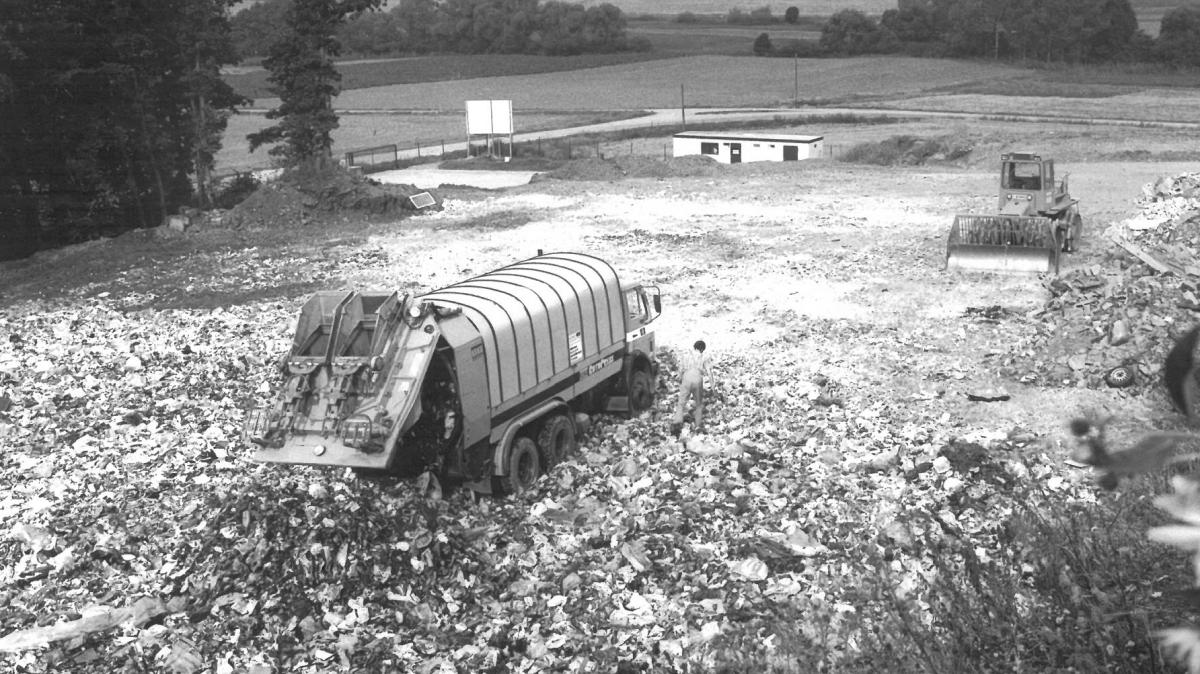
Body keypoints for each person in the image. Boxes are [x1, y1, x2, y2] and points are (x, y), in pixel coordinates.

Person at [672, 340, 710, 435]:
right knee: (698, 405)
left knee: (681, 403)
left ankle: (677, 423)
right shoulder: (704, 356)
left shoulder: (686, 355)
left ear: (694, 347)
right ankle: (697, 426)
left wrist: (680, 377)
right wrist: (713, 388)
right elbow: (709, 372)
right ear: (702, 349)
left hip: (687, 377)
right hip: (697, 378)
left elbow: (681, 369)